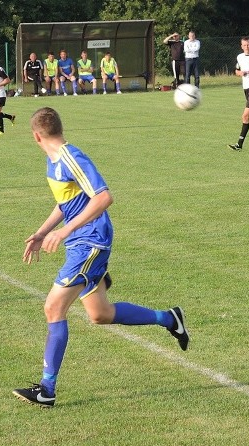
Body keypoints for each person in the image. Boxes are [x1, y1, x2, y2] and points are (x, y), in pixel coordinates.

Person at [12, 107, 190, 408]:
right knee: (100, 314)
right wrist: (43, 232)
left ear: (36, 136)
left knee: (53, 307)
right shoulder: (52, 161)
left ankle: (47, 389)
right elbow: (65, 202)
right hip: (81, 241)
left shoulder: (71, 157)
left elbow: (104, 196)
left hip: (91, 242)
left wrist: (65, 231)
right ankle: (168, 318)